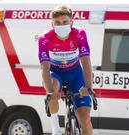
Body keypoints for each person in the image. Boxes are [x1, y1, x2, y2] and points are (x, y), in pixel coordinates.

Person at [38, 5, 94, 135]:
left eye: (65, 22)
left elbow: (85, 60)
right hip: (56, 73)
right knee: (52, 88)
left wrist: (88, 86)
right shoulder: (45, 38)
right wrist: (51, 92)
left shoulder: (79, 34)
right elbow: (44, 66)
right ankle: (55, 129)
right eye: (57, 22)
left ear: (71, 22)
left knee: (85, 117)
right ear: (52, 24)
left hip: (75, 75)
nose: (61, 25)